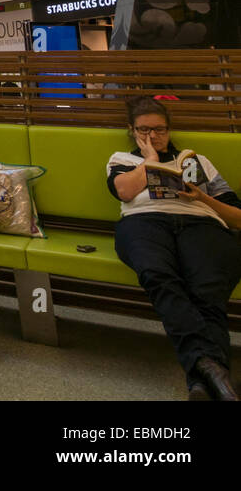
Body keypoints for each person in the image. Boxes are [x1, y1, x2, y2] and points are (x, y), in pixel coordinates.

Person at [109, 96, 241, 401]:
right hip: (144, 222)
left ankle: (201, 376)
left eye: (159, 130)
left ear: (170, 129)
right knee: (157, 275)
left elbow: (236, 216)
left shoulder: (197, 161)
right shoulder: (122, 160)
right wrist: (150, 158)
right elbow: (125, 191)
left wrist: (202, 198)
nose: (153, 136)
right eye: (144, 130)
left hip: (201, 222)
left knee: (207, 290)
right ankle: (213, 370)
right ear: (132, 130)